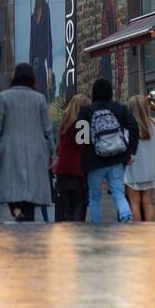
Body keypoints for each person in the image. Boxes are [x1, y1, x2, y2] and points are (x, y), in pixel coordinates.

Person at [0, 63, 55, 222]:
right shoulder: (40, 99)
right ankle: (26, 222)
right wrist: (53, 153)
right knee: (30, 190)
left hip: (9, 150)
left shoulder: (4, 97)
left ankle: (16, 211)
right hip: (35, 151)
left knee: (10, 186)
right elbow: (47, 130)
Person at [78, 78, 140, 224]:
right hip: (117, 158)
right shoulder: (120, 109)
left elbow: (80, 138)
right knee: (119, 193)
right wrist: (131, 151)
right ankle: (126, 218)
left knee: (94, 197)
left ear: (94, 92)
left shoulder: (86, 111)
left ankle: (96, 227)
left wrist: (86, 152)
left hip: (94, 161)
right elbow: (134, 127)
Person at [123, 95, 155, 221]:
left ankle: (137, 232)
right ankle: (148, 231)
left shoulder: (127, 127)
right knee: (148, 203)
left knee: (134, 203)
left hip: (133, 169)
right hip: (151, 169)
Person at [53, 94, 90, 222]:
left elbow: (60, 148)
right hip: (77, 170)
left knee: (64, 209)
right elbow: (83, 146)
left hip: (62, 170)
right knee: (78, 209)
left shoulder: (65, 122)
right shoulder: (82, 124)